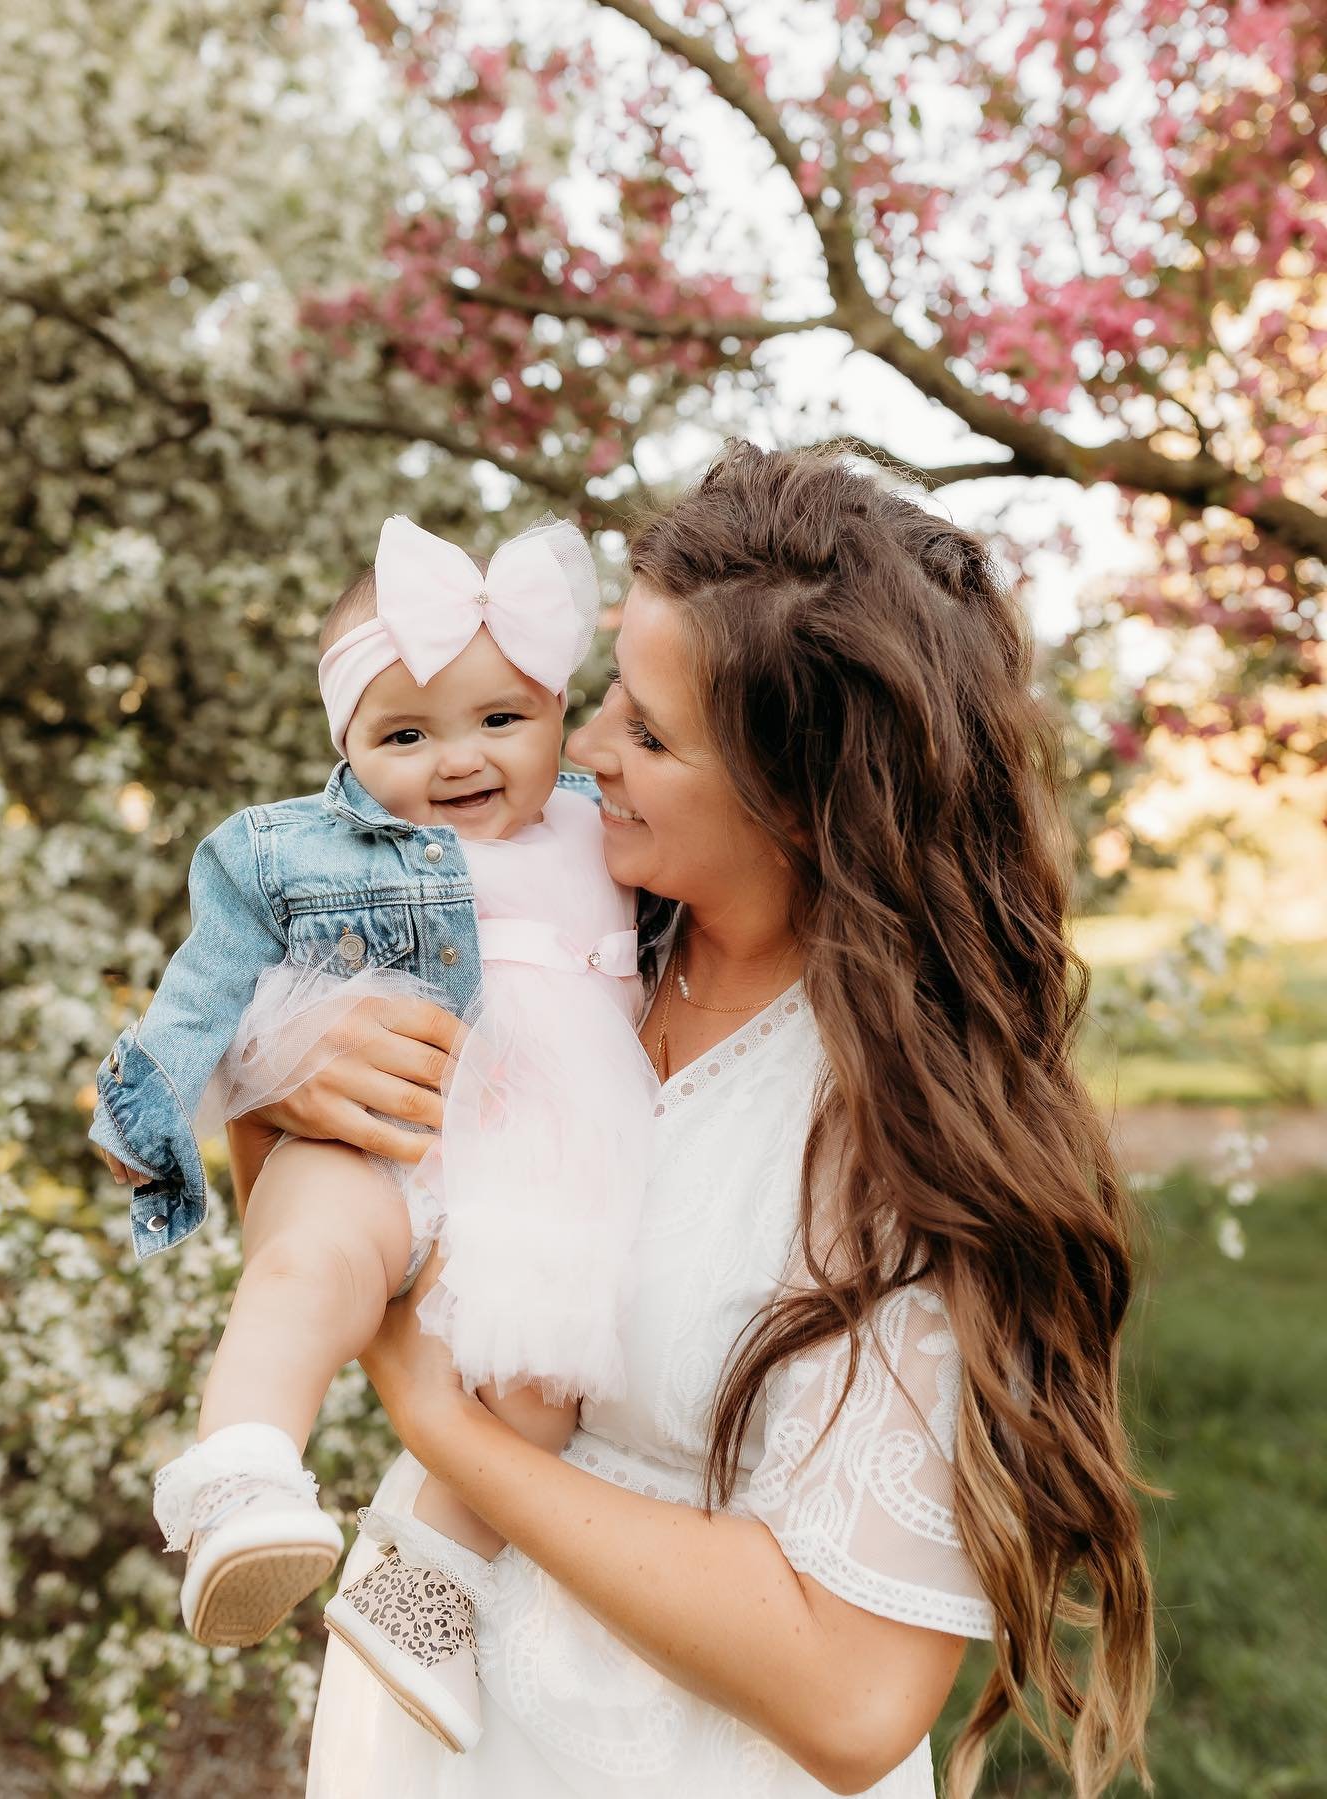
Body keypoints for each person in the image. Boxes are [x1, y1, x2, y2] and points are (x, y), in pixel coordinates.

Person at [235, 442, 1156, 1797]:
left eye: (651, 734)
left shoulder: (902, 1135)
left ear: (800, 801)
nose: (586, 743)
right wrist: (293, 1086)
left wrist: (446, 1426)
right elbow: (325, 1243)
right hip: (416, 1727)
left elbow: (852, 1693)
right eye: (610, 690)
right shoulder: (565, 925)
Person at [89, 513, 657, 1753]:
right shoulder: (291, 849)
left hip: (534, 1180)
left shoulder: (609, 834)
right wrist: (156, 1110)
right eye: (405, 734)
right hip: (372, 1144)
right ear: (344, 743)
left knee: (538, 1389)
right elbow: (200, 999)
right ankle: (242, 1476)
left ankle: (422, 1590)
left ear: (560, 716)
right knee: (312, 1265)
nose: (457, 759)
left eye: (501, 720)